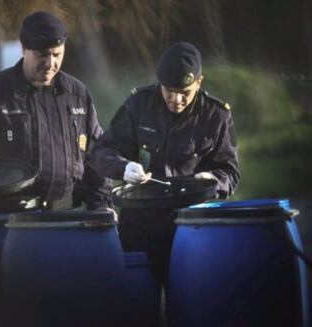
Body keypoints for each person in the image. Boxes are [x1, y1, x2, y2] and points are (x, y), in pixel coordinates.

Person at [89, 41, 240, 309]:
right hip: (139, 226)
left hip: (192, 228)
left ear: (200, 82)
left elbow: (230, 171)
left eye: (185, 92)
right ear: (159, 82)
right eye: (169, 91)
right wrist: (123, 167)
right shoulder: (139, 104)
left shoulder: (216, 116)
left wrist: (213, 182)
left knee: (191, 308)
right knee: (134, 308)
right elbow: (102, 151)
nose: (176, 100)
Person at [0, 11, 111, 211]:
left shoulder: (77, 94)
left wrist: (101, 207)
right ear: (23, 49)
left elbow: (97, 156)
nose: (50, 63)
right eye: (42, 55)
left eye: (57, 54)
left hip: (66, 216)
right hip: (10, 220)